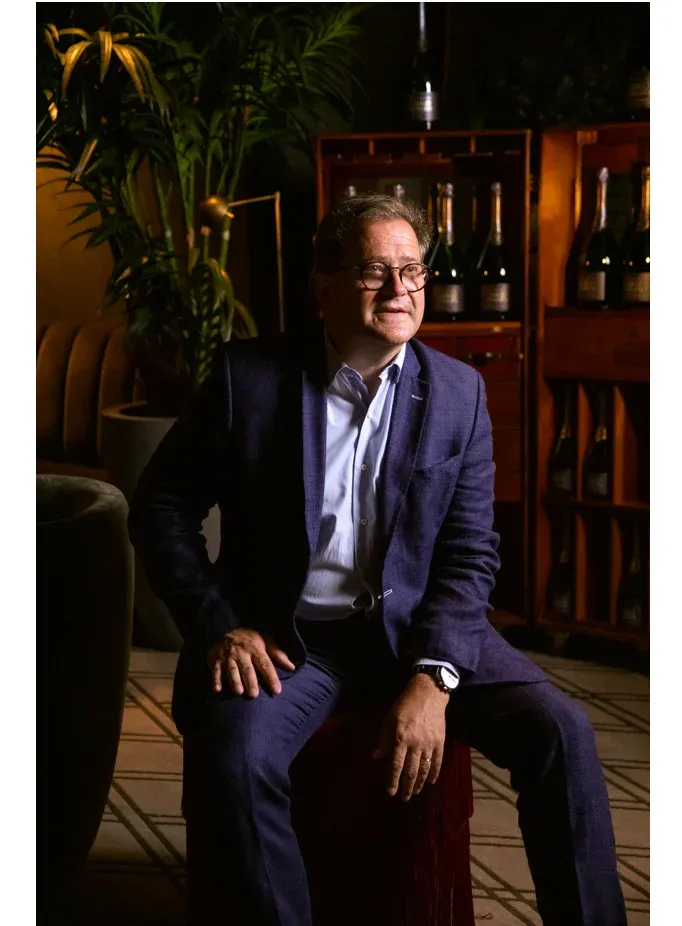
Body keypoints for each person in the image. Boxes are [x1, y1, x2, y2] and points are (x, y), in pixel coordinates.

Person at [127, 193, 627, 926]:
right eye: (373, 271)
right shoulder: (249, 381)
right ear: (323, 287)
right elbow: (160, 507)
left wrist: (436, 676)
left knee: (563, 733)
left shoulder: (457, 393)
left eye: (413, 270)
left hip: (416, 630)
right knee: (235, 758)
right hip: (289, 638)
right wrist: (218, 625)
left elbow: (469, 554)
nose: (400, 289)